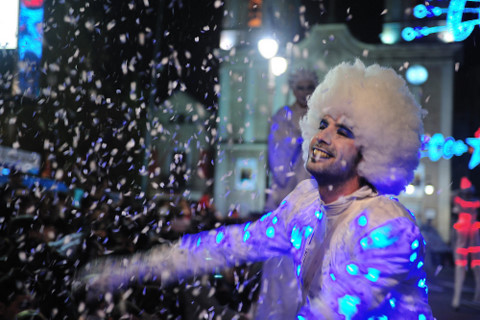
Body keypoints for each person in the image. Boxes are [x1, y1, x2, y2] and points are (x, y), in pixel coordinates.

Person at [79, 60, 433, 319]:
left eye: (344, 132)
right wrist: (130, 268)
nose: (323, 137)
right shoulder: (304, 205)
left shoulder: (387, 227)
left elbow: (334, 311)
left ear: (371, 152)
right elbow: (229, 245)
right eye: (322, 123)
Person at [264, 69, 318, 212]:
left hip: (312, 176)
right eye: (301, 88)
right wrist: (296, 140)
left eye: (309, 87)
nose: (305, 92)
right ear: (294, 91)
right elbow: (277, 148)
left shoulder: (321, 114)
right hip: (288, 179)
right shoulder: (283, 115)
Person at [451, 176, 480, 309]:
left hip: (467, 240)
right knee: (472, 268)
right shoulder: (474, 203)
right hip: (471, 238)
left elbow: (454, 197)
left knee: (467, 268)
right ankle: (462, 299)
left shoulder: (460, 201)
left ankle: (459, 300)